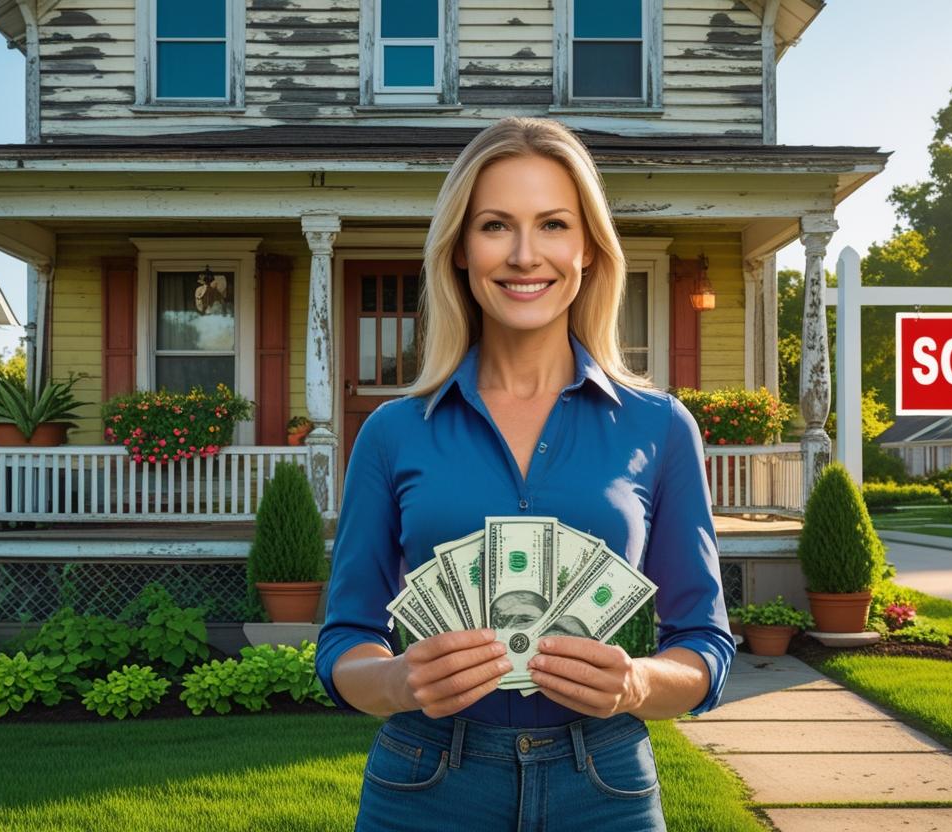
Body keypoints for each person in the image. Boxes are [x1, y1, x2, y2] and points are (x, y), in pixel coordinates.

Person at [315, 116, 735, 831]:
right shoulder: (391, 433)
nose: (523, 255)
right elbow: (343, 639)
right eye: (494, 226)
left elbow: (704, 646)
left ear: (588, 251)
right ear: (458, 250)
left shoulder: (660, 427)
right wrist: (393, 678)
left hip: (603, 784)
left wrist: (634, 682)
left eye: (552, 225)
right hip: (425, 779)